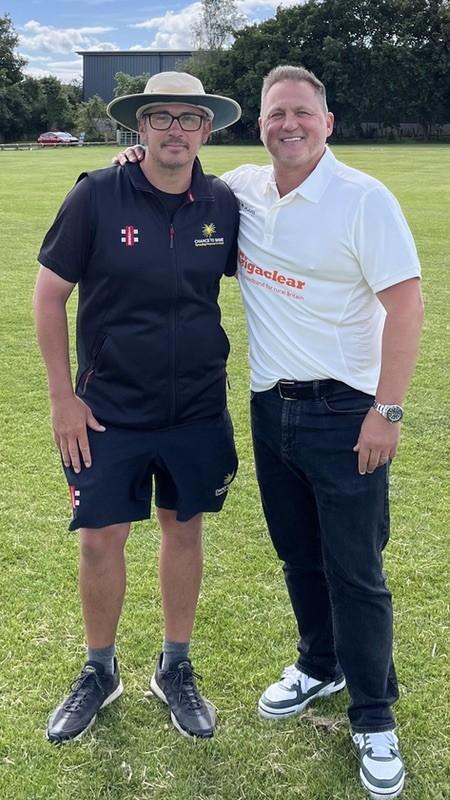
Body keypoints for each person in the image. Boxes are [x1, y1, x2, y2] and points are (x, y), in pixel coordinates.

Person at [116, 65, 424, 798]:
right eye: (275, 114)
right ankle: (319, 665)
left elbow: (407, 306)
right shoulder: (245, 191)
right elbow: (178, 172)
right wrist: (133, 157)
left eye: (302, 113)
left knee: (356, 570)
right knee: (298, 557)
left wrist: (388, 410)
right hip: (268, 408)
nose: (289, 124)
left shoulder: (362, 200)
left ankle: (374, 717)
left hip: (347, 412)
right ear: (258, 125)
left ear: (328, 122)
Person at [34, 72, 242, 743]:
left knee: (184, 529)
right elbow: (48, 296)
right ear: (140, 128)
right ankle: (100, 671)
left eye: (189, 118)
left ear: (206, 130)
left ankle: (174, 668)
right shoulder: (96, 194)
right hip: (107, 411)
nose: (175, 129)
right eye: (161, 117)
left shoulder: (224, 202)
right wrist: (63, 399)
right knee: (101, 541)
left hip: (196, 408)